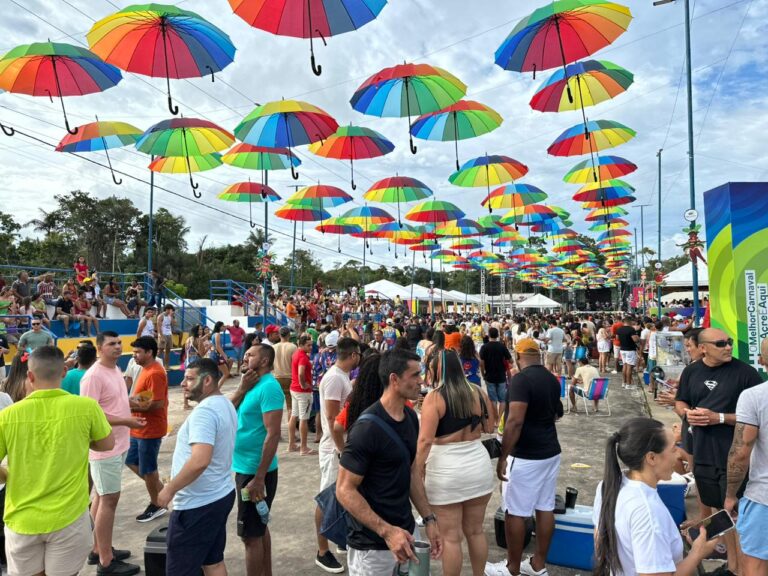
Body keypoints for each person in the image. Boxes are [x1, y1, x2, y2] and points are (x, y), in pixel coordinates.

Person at [0, 346, 114, 576]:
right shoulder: (86, 407)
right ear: (64, 371)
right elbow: (106, 444)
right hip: (69, 518)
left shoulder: (8, 415)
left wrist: (8, 475)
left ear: (30, 376)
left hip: (22, 520)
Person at [336, 349, 443, 576]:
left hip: (406, 534)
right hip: (372, 546)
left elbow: (413, 472)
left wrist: (429, 518)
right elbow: (344, 489)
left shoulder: (411, 417)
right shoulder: (366, 428)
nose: (421, 381)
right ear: (394, 379)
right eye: (414, 375)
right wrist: (387, 532)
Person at [675, 328, 762, 576]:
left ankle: (746, 569)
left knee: (737, 516)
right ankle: (734, 567)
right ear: (703, 348)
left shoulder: (746, 374)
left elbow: (757, 418)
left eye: (730, 342)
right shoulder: (692, 371)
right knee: (720, 513)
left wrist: (719, 418)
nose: (728, 347)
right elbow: (680, 401)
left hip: (734, 457)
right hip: (703, 453)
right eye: (721, 343)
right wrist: (686, 413)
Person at [593, 418, 718, 576]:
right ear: (651, 458)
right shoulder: (648, 511)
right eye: (673, 449)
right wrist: (697, 554)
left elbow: (600, 544)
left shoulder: (608, 486)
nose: (678, 454)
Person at [487, 338, 563, 576]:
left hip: (526, 455)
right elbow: (557, 412)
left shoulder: (521, 379)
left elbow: (515, 420)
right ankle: (538, 565)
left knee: (516, 511)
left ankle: (512, 568)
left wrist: (503, 456)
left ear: (518, 357)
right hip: (550, 450)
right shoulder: (551, 378)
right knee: (544, 507)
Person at [415, 350, 495, 576]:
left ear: (436, 370)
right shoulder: (478, 392)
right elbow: (490, 427)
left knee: (450, 538)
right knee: (476, 531)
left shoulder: (435, 397)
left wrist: (417, 468)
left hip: (445, 470)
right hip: (477, 466)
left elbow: (425, 440)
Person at [157, 358, 238, 576]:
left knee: (180, 570)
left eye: (190, 379)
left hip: (197, 505)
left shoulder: (205, 412)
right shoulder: (224, 403)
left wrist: (169, 489)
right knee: (212, 561)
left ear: (208, 380)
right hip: (218, 494)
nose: (183, 383)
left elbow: (200, 460)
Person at [81, 332, 145, 575]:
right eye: (111, 344)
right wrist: (126, 422)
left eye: (119, 343)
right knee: (109, 500)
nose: (118, 347)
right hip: (103, 449)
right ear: (99, 348)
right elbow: (90, 414)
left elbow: (113, 403)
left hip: (117, 444)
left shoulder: (115, 369)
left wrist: (131, 402)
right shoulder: (93, 377)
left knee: (101, 497)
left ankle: (99, 548)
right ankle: (106, 562)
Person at [231, 343, 284, 576]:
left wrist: (259, 478)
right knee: (259, 528)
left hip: (254, 473)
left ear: (264, 361)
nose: (245, 357)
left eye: (250, 355)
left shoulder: (269, 387)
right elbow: (228, 410)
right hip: (244, 468)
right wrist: (242, 388)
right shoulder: (250, 384)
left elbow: (273, 434)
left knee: (250, 537)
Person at [315, 337, 360, 573]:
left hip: (339, 445)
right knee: (327, 498)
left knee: (340, 496)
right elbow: (333, 418)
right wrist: (341, 449)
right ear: (353, 355)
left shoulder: (341, 377)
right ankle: (322, 551)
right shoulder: (334, 378)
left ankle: (339, 540)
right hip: (333, 447)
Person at [724, 336, 768, 576]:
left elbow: (741, 452)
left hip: (763, 498)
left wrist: (730, 495)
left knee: (756, 566)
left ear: (761, 361)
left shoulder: (754, 397)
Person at [127, 336, 169, 523]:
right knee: (131, 461)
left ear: (149, 352)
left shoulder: (154, 373)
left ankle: (157, 504)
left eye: (138, 352)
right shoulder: (144, 370)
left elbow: (157, 402)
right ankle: (162, 492)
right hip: (138, 427)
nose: (134, 355)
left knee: (149, 469)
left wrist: (128, 406)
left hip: (150, 429)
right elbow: (144, 398)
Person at [287, 334, 315, 456]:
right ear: (302, 345)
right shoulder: (303, 357)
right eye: (308, 345)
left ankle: (291, 444)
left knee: (294, 416)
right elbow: (301, 373)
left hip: (294, 388)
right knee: (304, 418)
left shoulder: (296, 354)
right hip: (302, 392)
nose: (310, 347)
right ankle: (303, 447)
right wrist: (303, 384)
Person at [480, 327, 512, 421]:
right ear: (497, 335)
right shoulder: (502, 346)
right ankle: (500, 420)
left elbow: (482, 363)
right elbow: (510, 360)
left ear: (489, 335)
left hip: (489, 375)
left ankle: (495, 418)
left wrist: (483, 374)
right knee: (502, 399)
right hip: (501, 375)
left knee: (492, 399)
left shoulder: (484, 347)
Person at [273, 326, 297, 417]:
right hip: (289, 377)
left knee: (276, 406)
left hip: (276, 377)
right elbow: (295, 363)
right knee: (290, 406)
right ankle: (291, 425)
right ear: (289, 335)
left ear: (279, 335)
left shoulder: (273, 347)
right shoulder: (293, 347)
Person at [616, 317, 640, 389]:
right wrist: (638, 337)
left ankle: (624, 382)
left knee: (624, 366)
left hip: (622, 349)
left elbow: (617, 338)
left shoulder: (619, 329)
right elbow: (635, 340)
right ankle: (628, 384)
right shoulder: (631, 329)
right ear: (629, 321)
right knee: (629, 367)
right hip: (630, 350)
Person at [208, 321, 232, 389]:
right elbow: (218, 346)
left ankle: (215, 388)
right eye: (223, 326)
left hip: (213, 354)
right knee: (226, 373)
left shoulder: (213, 334)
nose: (224, 327)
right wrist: (224, 355)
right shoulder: (217, 334)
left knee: (218, 373)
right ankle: (216, 389)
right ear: (219, 327)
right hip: (217, 355)